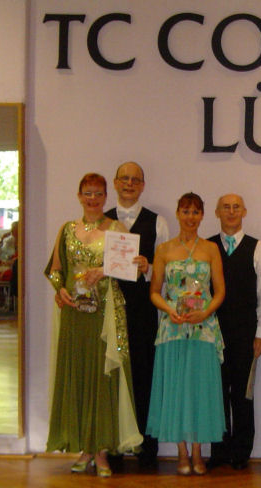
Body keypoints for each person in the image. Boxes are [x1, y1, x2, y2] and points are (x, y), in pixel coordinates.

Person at [45, 173, 142, 477]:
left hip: (105, 314)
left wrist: (104, 270)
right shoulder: (66, 229)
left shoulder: (116, 229)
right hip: (75, 313)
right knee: (79, 374)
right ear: (79, 195)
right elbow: (55, 270)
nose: (93, 199)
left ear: (105, 196)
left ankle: (101, 451)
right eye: (87, 193)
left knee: (103, 377)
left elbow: (130, 269)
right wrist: (60, 290)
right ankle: (85, 448)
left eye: (98, 194)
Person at [146, 192, 226, 476]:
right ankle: (181, 452)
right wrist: (169, 309)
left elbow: (220, 291)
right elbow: (154, 292)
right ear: (178, 213)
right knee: (177, 389)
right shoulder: (164, 250)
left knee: (200, 390)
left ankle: (198, 451)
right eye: (185, 211)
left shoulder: (211, 249)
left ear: (202, 215)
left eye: (195, 212)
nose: (190, 217)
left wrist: (206, 312)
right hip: (174, 328)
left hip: (203, 329)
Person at [105, 161, 169, 468]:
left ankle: (145, 445)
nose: (129, 184)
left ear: (142, 185)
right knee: (112, 374)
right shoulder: (102, 220)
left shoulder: (158, 222)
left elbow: (167, 270)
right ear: (115, 183)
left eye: (135, 180)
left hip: (143, 310)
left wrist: (149, 267)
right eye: (124, 179)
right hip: (108, 310)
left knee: (144, 374)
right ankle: (113, 445)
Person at [208, 194, 261, 470]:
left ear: (244, 211)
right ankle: (219, 450)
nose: (231, 212)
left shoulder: (258, 248)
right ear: (217, 212)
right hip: (212, 332)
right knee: (216, 392)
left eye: (236, 207)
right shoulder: (207, 247)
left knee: (243, 394)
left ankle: (242, 451)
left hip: (246, 331)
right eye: (226, 207)